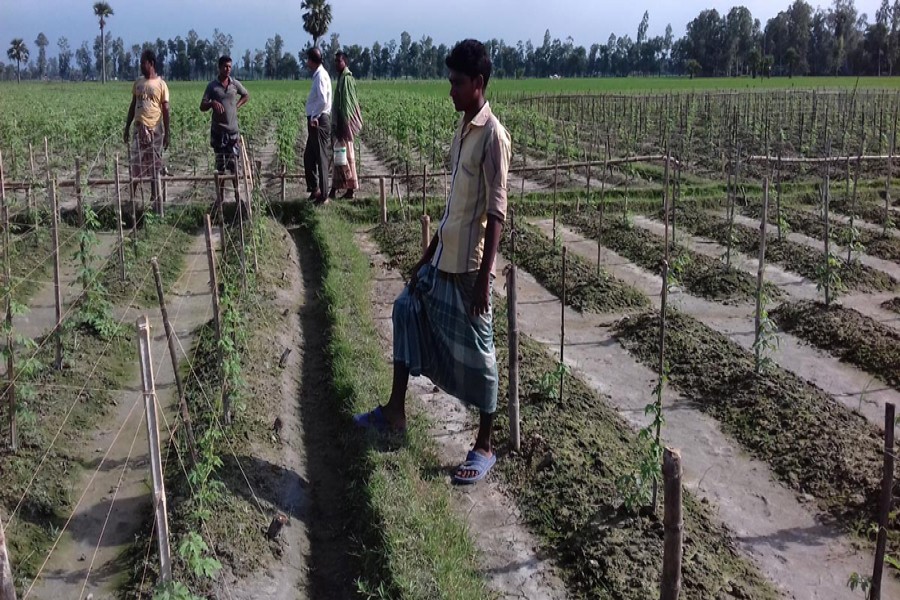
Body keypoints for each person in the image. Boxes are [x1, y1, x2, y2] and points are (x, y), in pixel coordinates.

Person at [354, 40, 511, 485]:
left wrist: (485, 278)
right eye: (450, 82)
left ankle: (485, 444)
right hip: (442, 258)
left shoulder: (493, 136)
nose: (451, 91)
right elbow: (454, 207)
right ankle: (396, 411)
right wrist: (426, 255)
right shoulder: (463, 131)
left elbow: (496, 211)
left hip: (469, 268)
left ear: (478, 84)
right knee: (405, 309)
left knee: (481, 355)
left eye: (457, 84)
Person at [200, 55, 250, 210]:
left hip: (233, 133)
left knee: (235, 166)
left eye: (229, 66)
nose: (227, 69)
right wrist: (212, 103)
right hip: (219, 133)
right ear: (219, 67)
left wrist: (236, 106)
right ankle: (220, 199)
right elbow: (202, 106)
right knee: (220, 168)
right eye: (225, 67)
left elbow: (246, 95)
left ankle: (237, 196)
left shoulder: (234, 84)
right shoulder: (212, 87)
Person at [123, 49, 170, 204]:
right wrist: (127, 126)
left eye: (143, 63)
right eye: (140, 63)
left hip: (155, 129)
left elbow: (165, 109)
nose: (141, 65)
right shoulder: (138, 83)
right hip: (139, 128)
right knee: (136, 162)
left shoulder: (161, 84)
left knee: (154, 164)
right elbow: (133, 105)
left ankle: (155, 197)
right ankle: (132, 197)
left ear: (151, 64)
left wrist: (167, 133)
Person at [329, 51, 363, 200]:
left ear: (345, 62)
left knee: (346, 157)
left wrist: (344, 124)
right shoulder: (341, 78)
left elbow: (348, 104)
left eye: (339, 61)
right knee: (339, 157)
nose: (336, 64)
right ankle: (336, 189)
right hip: (341, 124)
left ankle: (349, 190)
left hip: (345, 125)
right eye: (335, 61)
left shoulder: (347, 79)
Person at [304, 47, 332, 204]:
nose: (307, 63)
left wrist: (314, 116)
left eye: (308, 59)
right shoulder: (319, 75)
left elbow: (322, 100)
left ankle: (324, 195)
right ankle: (315, 190)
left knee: (321, 158)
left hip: (319, 121)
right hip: (316, 120)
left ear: (312, 60)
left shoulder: (321, 76)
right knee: (309, 157)